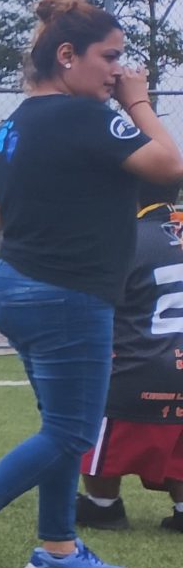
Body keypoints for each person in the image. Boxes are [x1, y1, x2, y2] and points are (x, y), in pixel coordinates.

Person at [0, 0, 183, 568]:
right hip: (69, 296)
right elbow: (170, 167)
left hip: (15, 286)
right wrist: (138, 102)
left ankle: (58, 547)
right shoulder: (87, 116)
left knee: (60, 425)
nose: (118, 71)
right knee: (72, 432)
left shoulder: (12, 124)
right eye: (109, 57)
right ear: (68, 56)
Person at [78, 188, 183, 532]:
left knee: (89, 399)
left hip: (138, 370)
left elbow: (93, 306)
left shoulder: (122, 239)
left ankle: (103, 505)